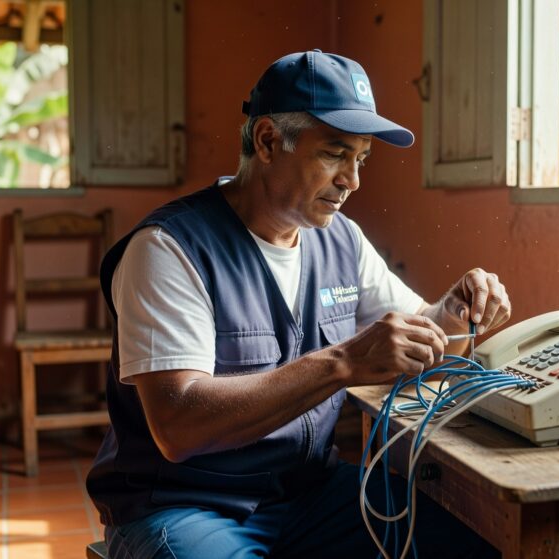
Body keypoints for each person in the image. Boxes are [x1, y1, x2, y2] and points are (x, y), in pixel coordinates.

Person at [87, 49, 511, 558]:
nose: (352, 180)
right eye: (334, 154)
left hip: (307, 494)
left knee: (474, 541)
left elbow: (423, 334)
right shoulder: (170, 247)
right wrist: (342, 362)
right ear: (268, 141)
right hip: (186, 505)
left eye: (360, 159)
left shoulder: (341, 241)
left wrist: (454, 312)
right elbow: (178, 426)